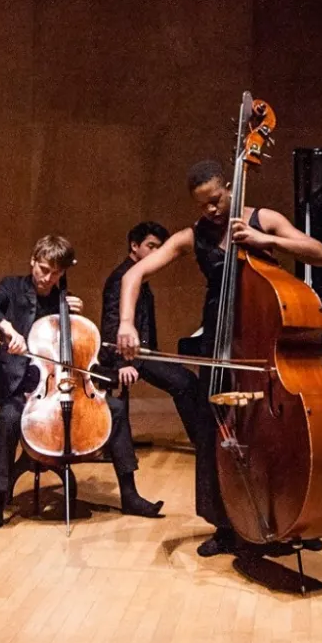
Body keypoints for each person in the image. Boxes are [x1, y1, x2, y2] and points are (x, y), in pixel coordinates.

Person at [113, 160, 322, 556]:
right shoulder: (191, 236)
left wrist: (267, 241)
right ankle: (226, 525)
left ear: (230, 187)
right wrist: (127, 323)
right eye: (202, 205)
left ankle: (287, 518)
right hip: (219, 341)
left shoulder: (264, 219)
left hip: (263, 338)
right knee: (216, 433)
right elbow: (134, 275)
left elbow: (319, 254)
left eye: (215, 200)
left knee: (273, 434)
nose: (211, 210)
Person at [0, 235, 160, 538]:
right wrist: (6, 329)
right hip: (24, 387)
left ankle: (130, 495)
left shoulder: (64, 302)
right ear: (33, 260)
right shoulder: (12, 288)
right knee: (6, 419)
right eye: (43, 269)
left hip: (62, 385)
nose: (47, 278)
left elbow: (79, 354)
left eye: (56, 273)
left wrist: (70, 317)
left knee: (117, 410)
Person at [101, 221, 223, 534]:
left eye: (159, 247)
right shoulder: (122, 279)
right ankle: (132, 492)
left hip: (142, 356)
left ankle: (206, 443)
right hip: (124, 360)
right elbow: (113, 323)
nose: (156, 253)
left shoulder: (143, 277)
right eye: (151, 247)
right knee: (171, 388)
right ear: (134, 246)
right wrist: (119, 363)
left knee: (186, 382)